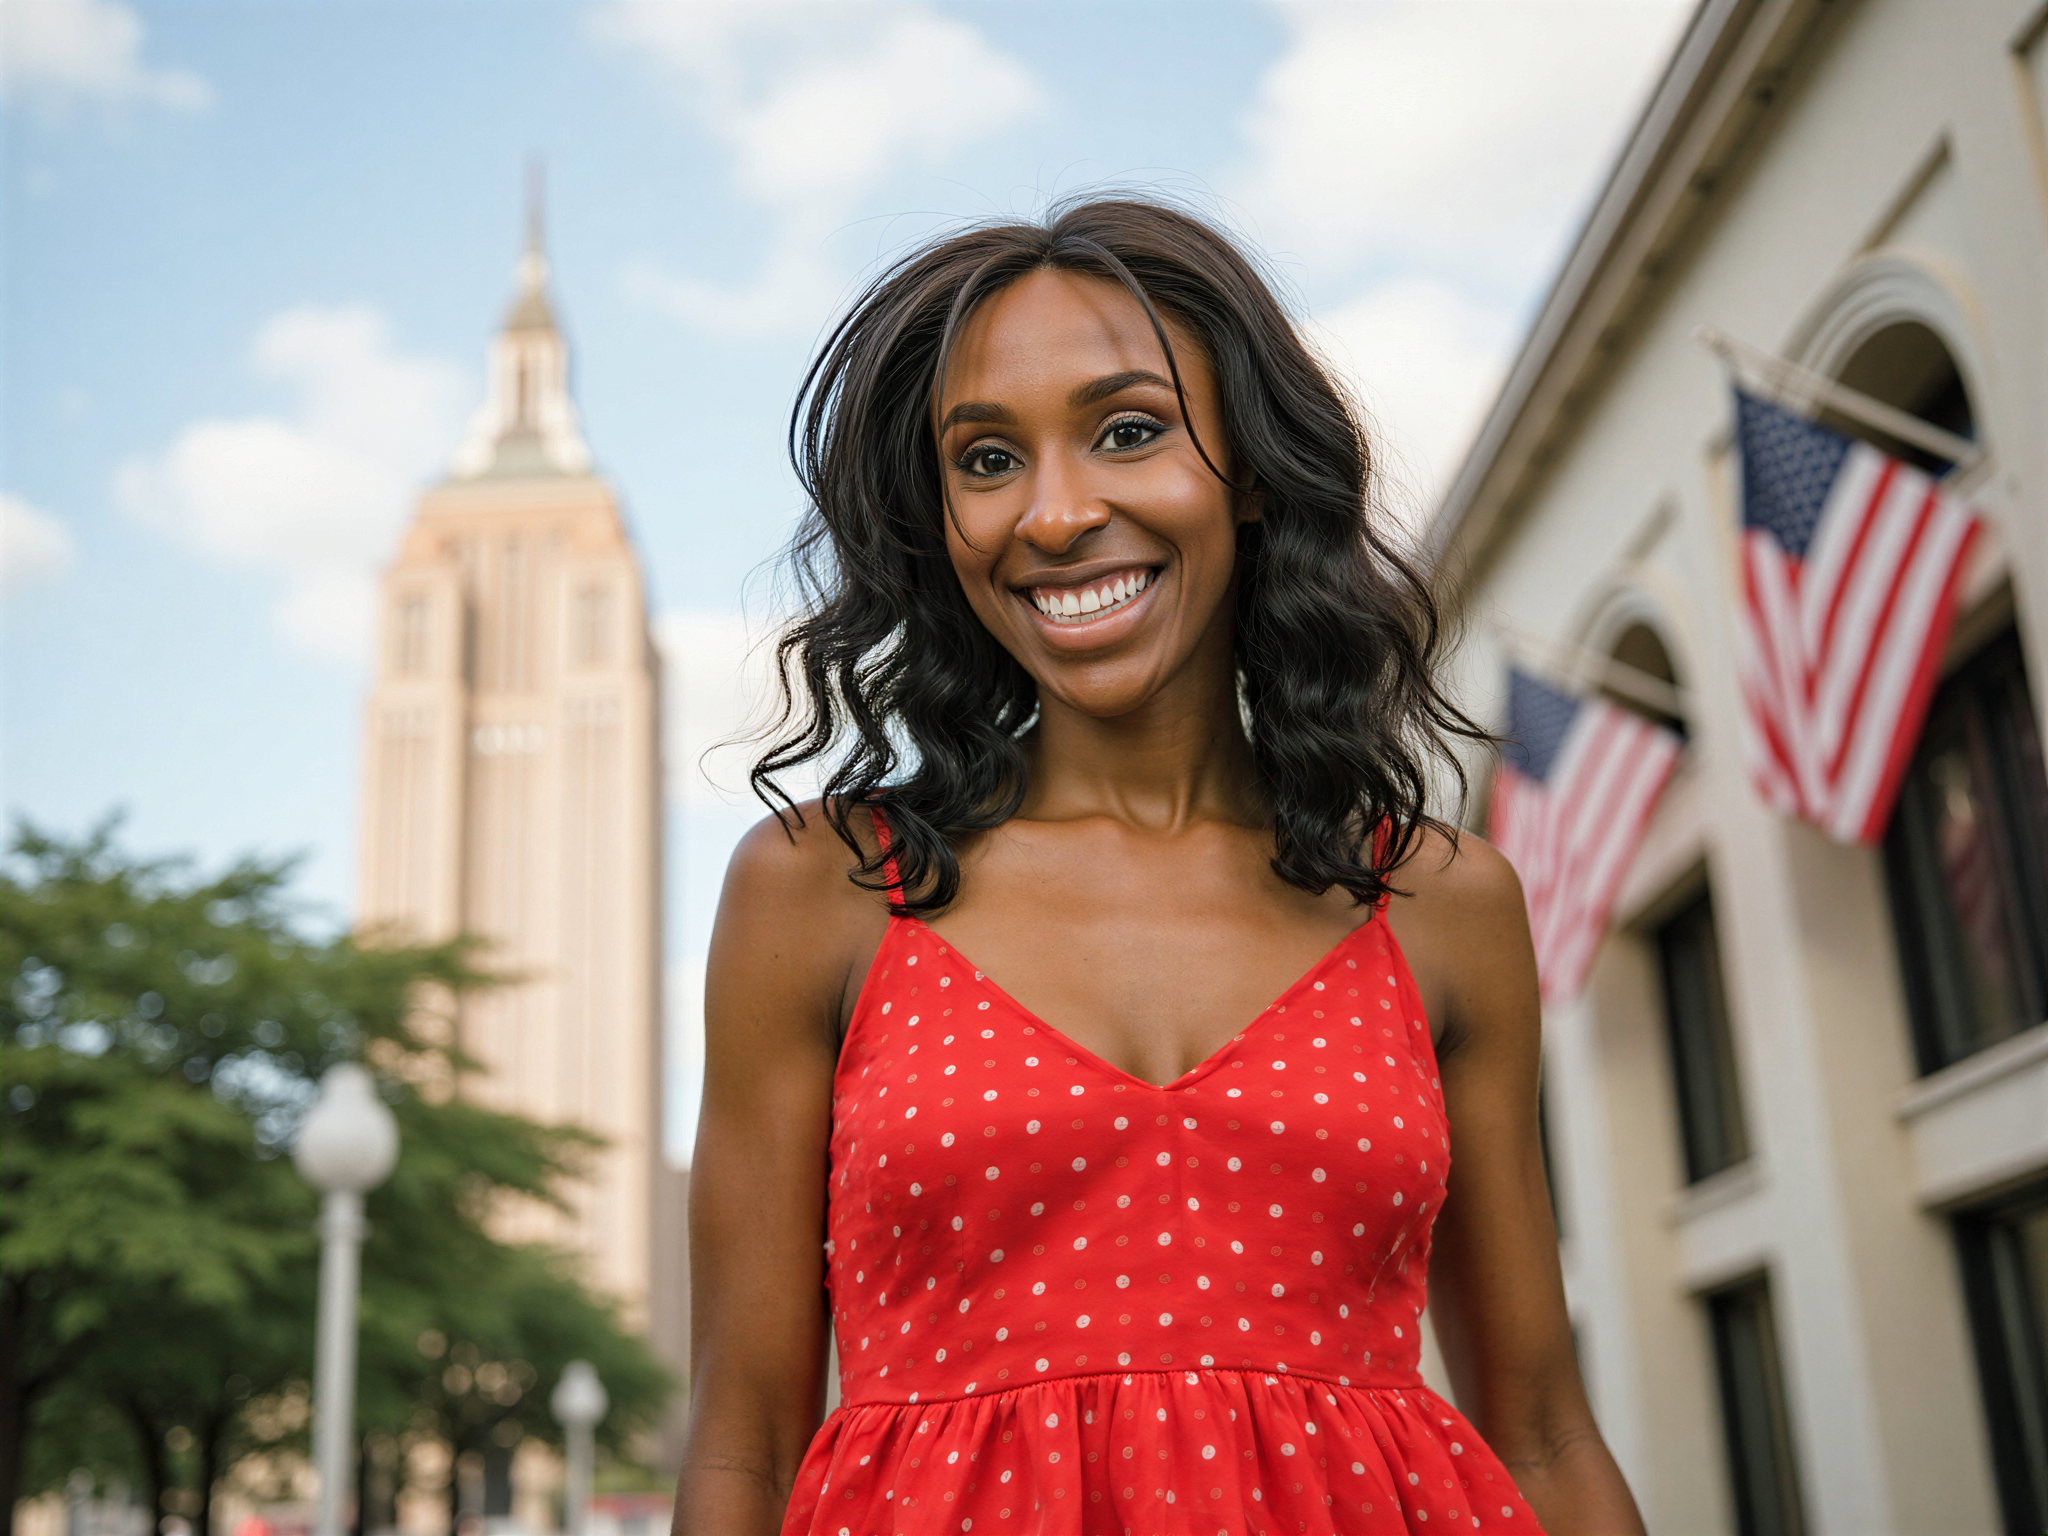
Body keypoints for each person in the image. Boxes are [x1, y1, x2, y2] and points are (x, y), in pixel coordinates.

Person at [675, 196, 1645, 1536]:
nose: (1057, 515)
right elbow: (739, 1441)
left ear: (1249, 470)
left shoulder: (1440, 906)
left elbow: (1539, 1432)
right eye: (987, 459)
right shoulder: (820, 891)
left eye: (1127, 431)